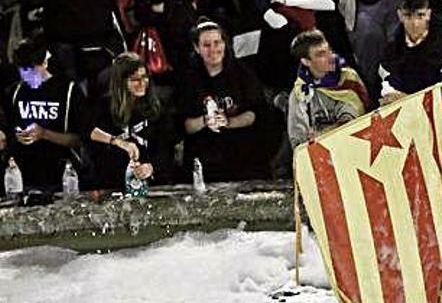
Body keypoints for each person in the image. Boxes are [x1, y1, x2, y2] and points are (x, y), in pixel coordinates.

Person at [181, 20, 269, 182]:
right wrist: (205, 121)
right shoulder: (189, 80)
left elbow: (254, 114)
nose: (213, 49)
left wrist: (228, 122)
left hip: (243, 154)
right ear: (196, 48)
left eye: (217, 43)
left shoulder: (243, 73)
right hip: (205, 156)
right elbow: (186, 126)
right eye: (206, 45)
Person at [378, 0, 442, 140]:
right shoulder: (391, 50)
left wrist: (411, 102)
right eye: (408, 16)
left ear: (428, 14)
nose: (414, 23)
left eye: (420, 15)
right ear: (400, 15)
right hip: (403, 129)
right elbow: (383, 91)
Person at [3, 37, 83, 191]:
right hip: (22, 177)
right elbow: (8, 133)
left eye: (32, 71)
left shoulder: (69, 91)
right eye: (23, 72)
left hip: (62, 175)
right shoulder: (15, 92)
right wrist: (14, 137)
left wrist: (45, 134)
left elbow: (79, 139)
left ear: (44, 63)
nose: (27, 78)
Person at [85, 52, 170, 189]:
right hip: (112, 184)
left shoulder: (157, 108)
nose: (142, 83)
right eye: (135, 79)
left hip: (152, 185)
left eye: (144, 77)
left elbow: (165, 148)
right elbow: (89, 133)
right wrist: (119, 142)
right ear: (121, 82)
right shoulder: (104, 107)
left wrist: (151, 167)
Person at [287, 29, 368, 149]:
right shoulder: (300, 92)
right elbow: (299, 140)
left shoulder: (348, 78)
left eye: (329, 50)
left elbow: (352, 120)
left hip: (355, 144)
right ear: (306, 61)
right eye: (321, 54)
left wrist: (323, 134)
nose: (330, 57)